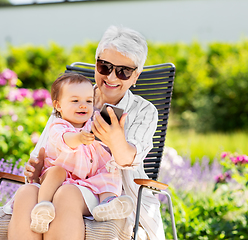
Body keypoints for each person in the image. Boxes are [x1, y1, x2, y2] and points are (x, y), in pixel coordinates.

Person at [8, 25, 165, 240]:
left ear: (135, 76)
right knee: (26, 193)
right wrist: (35, 168)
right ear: (96, 65)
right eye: (105, 66)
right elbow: (44, 150)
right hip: (56, 182)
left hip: (110, 194)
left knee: (67, 194)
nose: (111, 77)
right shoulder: (72, 98)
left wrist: (115, 139)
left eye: (123, 71)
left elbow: (129, 159)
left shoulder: (145, 111)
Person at [28, 72, 134, 234]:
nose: (83, 105)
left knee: (109, 172)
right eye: (75, 101)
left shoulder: (91, 124)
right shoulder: (58, 126)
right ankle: (42, 206)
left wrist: (111, 133)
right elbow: (65, 140)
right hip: (59, 179)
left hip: (85, 181)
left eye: (89, 101)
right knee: (57, 171)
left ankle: (107, 204)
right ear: (58, 105)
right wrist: (79, 138)